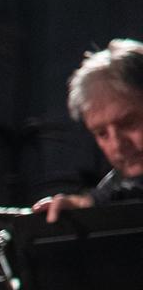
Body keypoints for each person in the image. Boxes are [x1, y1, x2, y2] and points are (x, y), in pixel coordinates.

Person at [36, 39, 143, 220]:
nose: (117, 145)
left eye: (128, 123)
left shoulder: (108, 196)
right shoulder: (111, 186)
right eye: (102, 133)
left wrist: (90, 204)